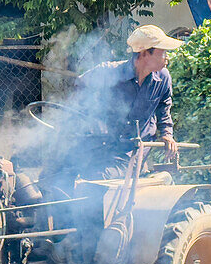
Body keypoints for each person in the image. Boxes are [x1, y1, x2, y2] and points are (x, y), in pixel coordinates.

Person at [70, 24, 183, 180]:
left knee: (102, 178)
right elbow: (80, 84)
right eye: (162, 52)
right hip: (105, 147)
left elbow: (164, 109)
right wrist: (91, 119)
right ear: (144, 54)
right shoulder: (109, 72)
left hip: (135, 151)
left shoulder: (163, 78)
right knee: (66, 169)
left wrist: (167, 135)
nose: (166, 57)